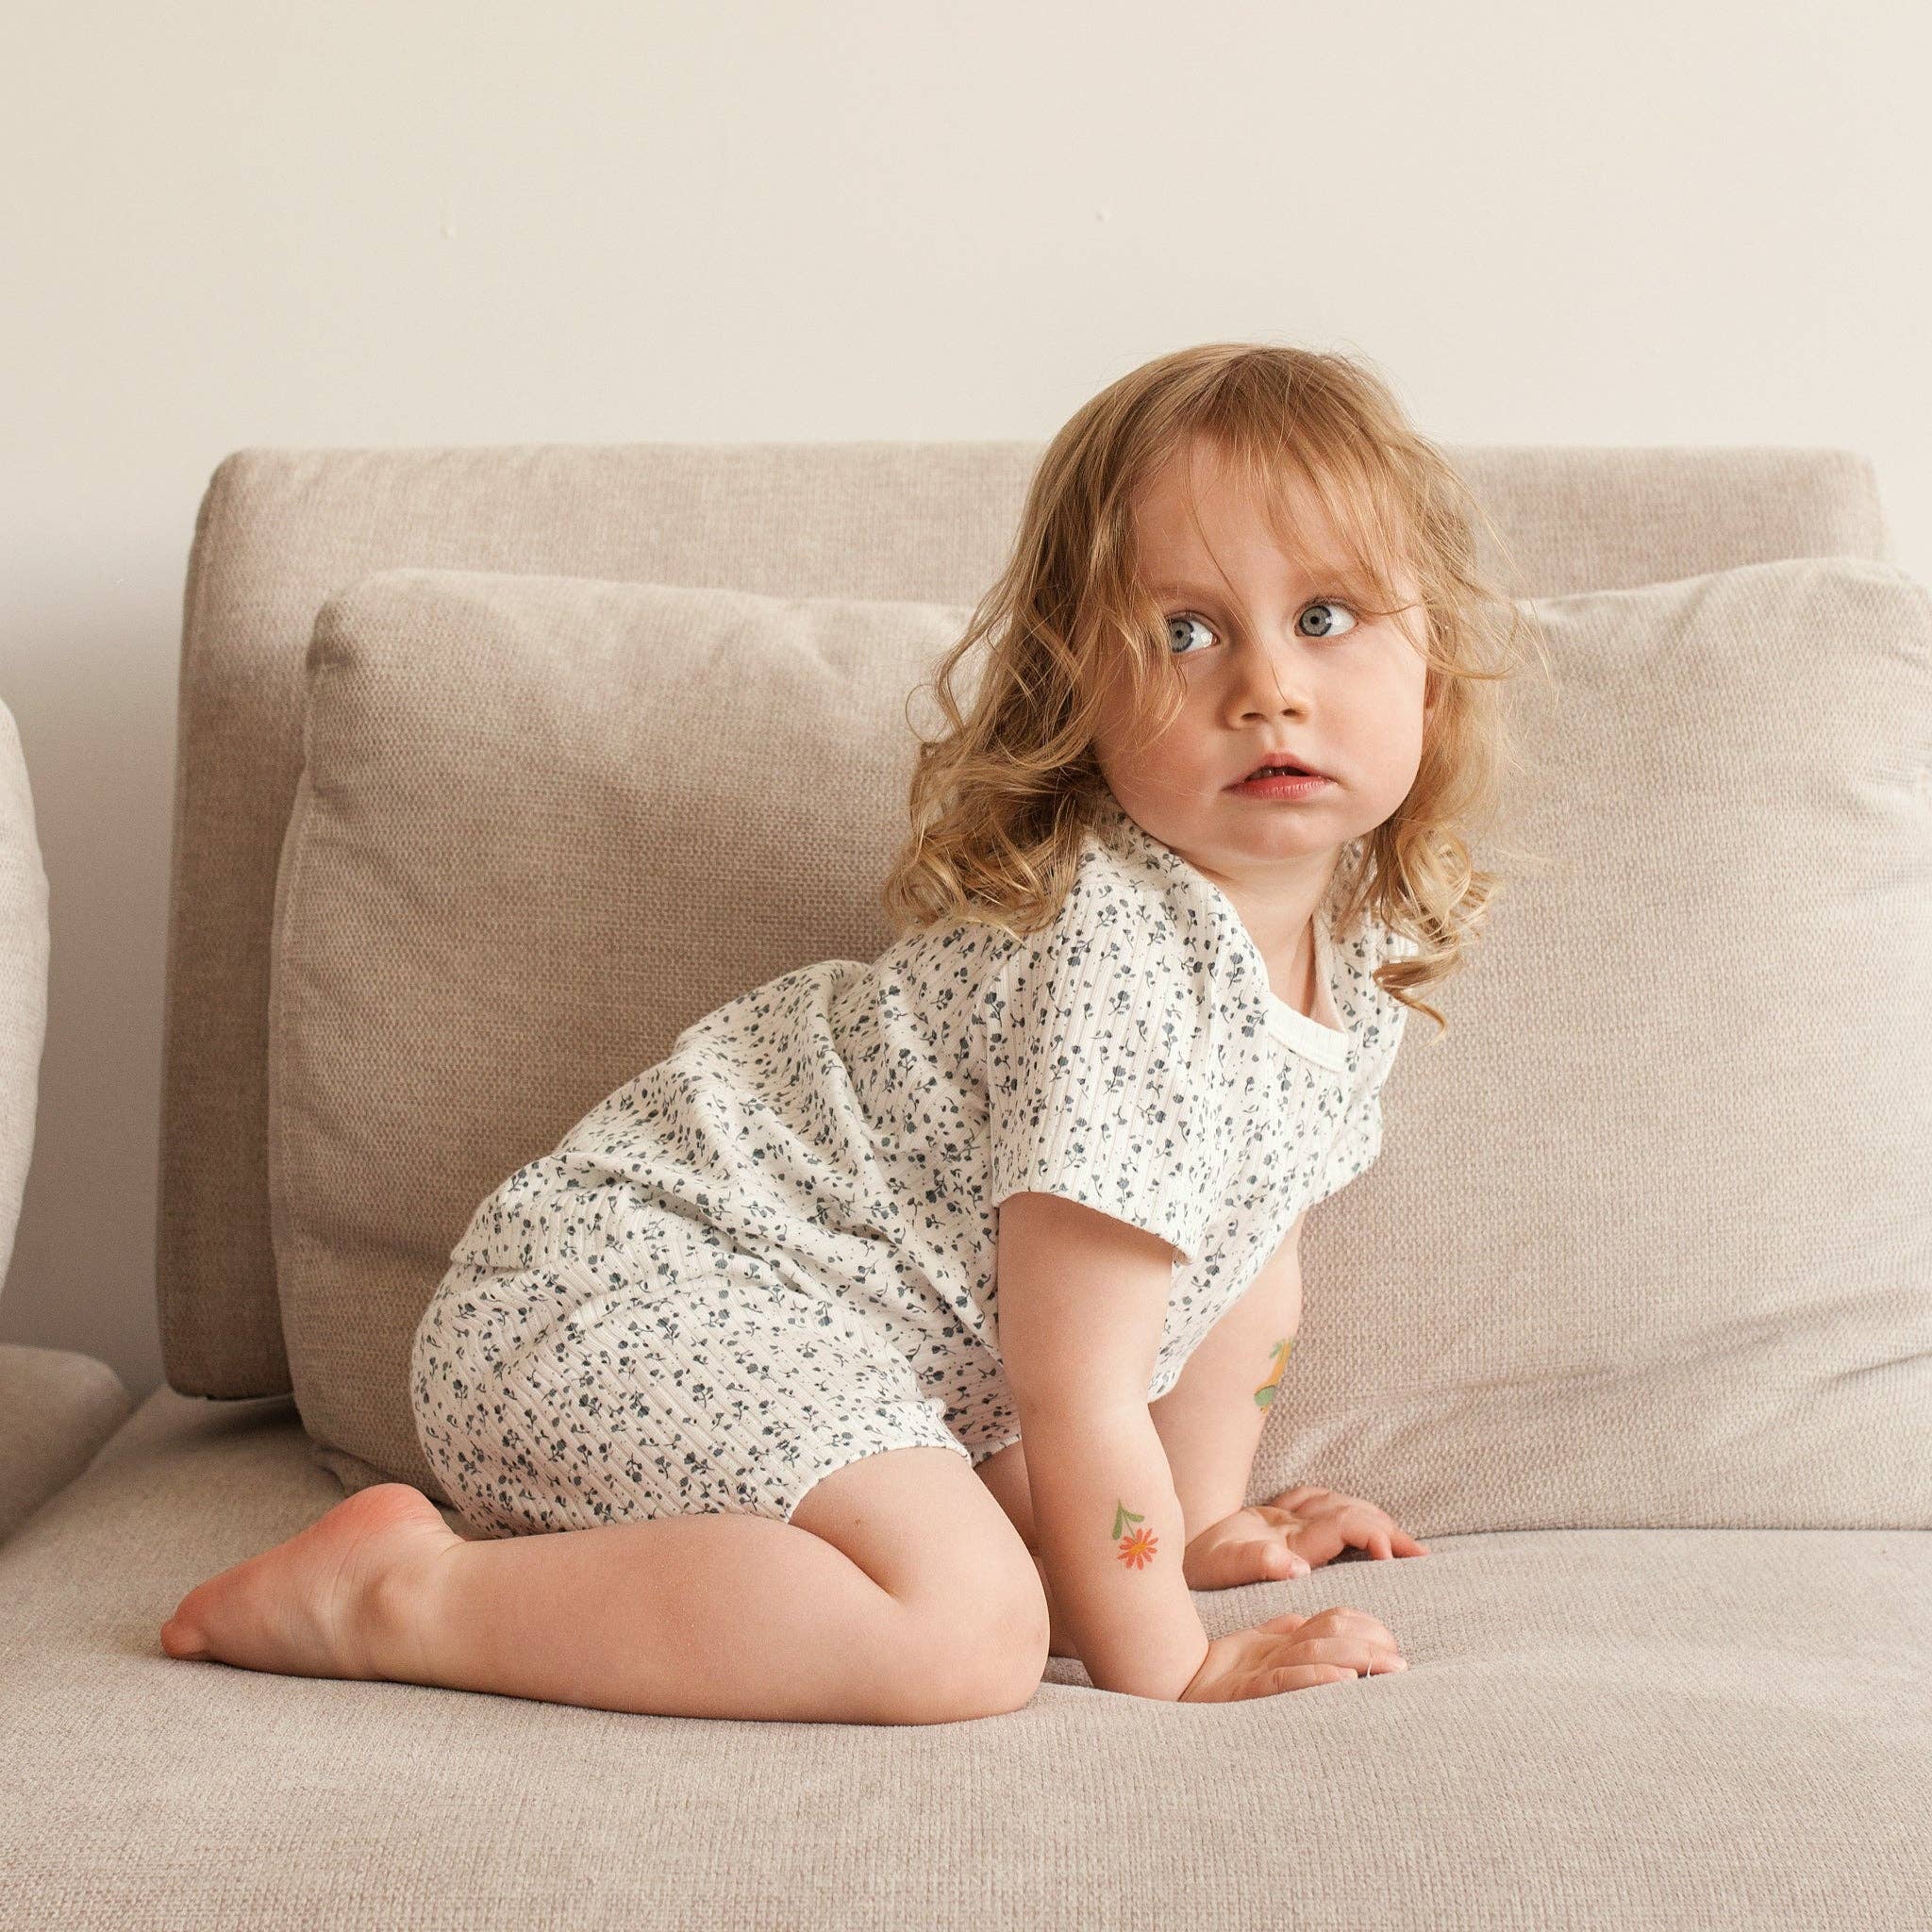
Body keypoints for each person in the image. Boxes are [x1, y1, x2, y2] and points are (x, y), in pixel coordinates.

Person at [158, 341, 1535, 1724]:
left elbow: (1247, 1258)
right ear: (1079, 696)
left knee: (1027, 1564)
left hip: (834, 1358)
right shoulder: (1116, 965)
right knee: (971, 1639)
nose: (1267, 687)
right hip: (625, 1305)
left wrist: (1192, 1521)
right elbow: (1078, 1388)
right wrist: (1168, 1656)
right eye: (1184, 632)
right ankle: (400, 1592)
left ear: (1431, 675)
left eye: (1325, 617)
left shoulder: (1353, 944)